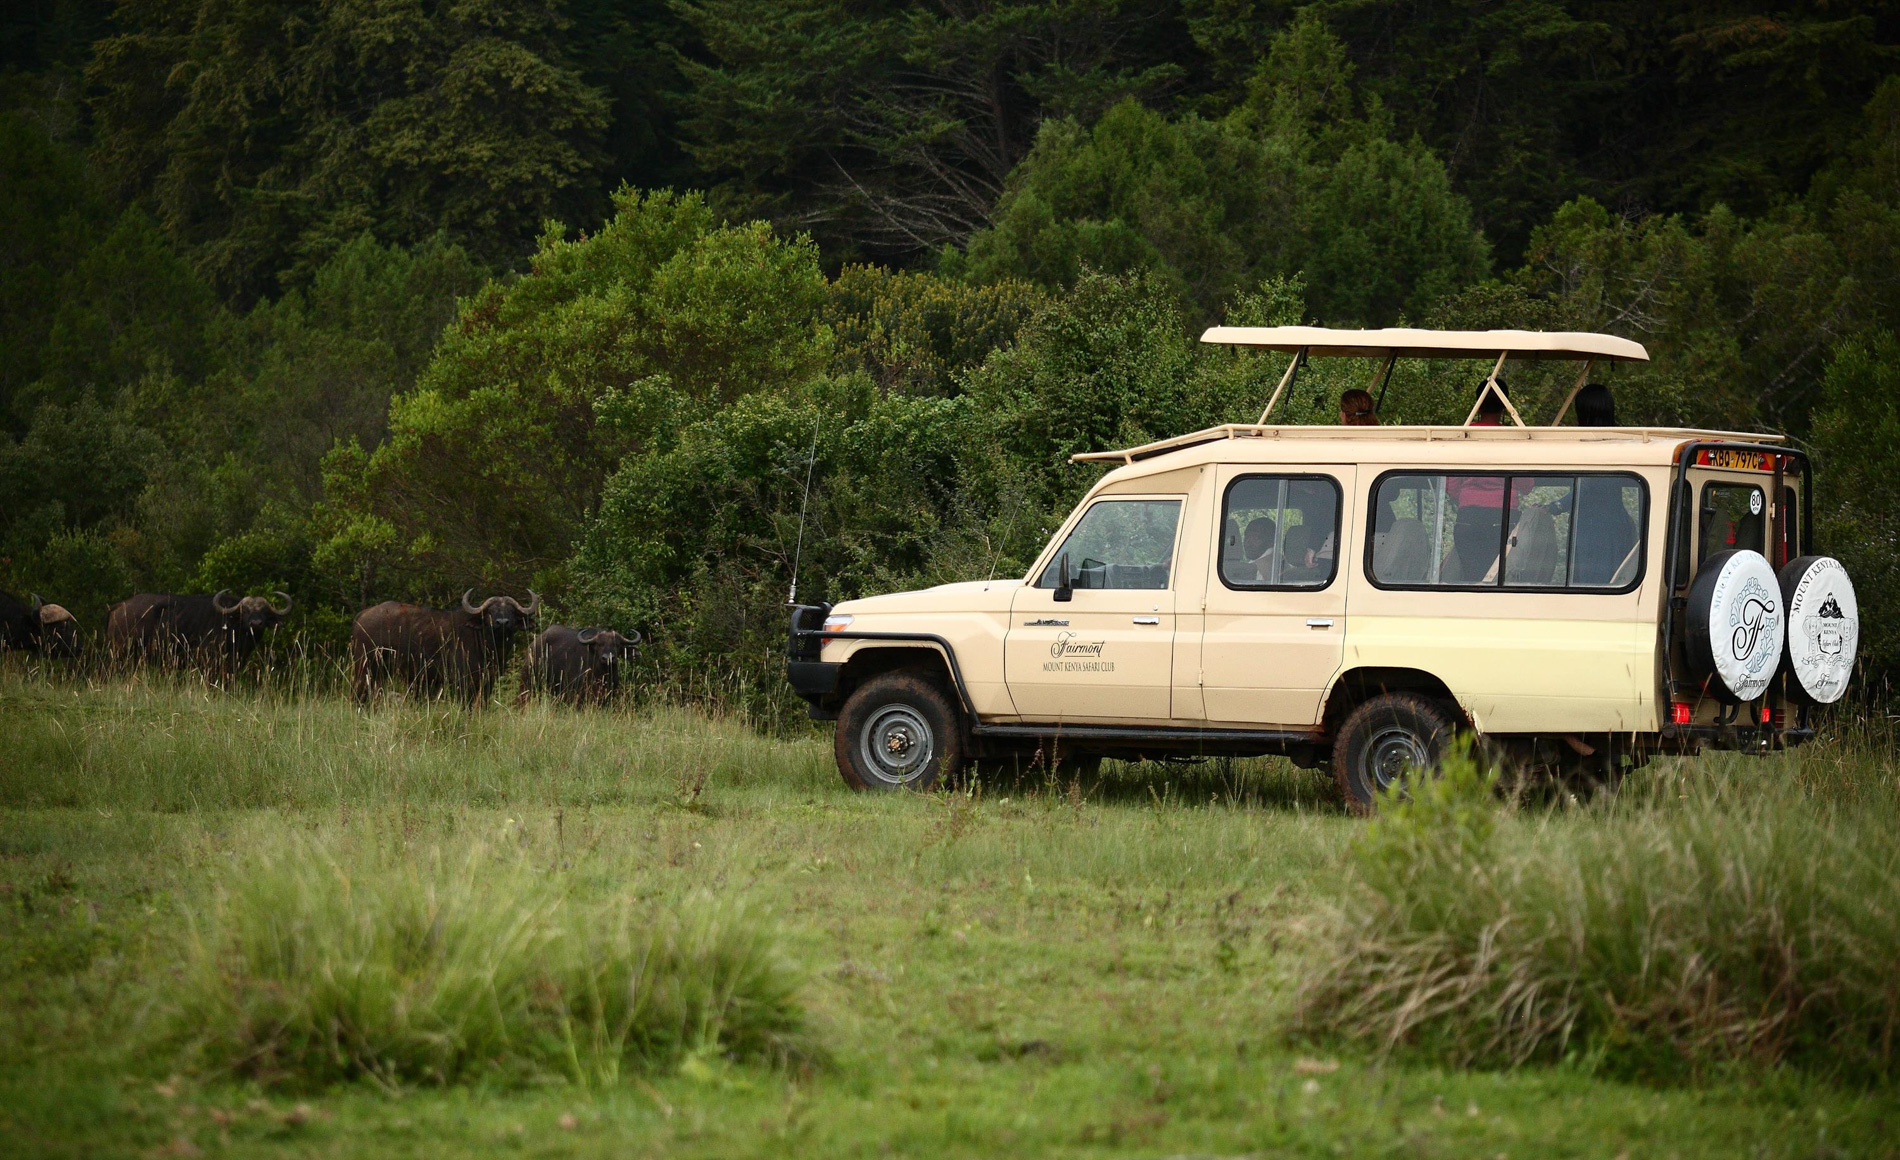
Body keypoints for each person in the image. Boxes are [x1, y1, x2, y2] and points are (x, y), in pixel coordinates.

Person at [1241, 515, 1278, 583]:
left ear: (1271, 541)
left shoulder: (1262, 569)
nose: (1248, 542)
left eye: (1256, 537)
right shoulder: (1280, 561)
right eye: (1246, 536)